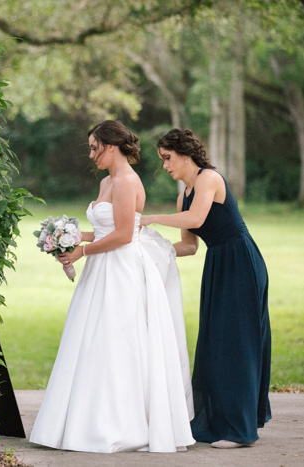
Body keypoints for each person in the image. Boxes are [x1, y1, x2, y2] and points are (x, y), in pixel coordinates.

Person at [29, 120, 195, 453]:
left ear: (111, 146)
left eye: (94, 147)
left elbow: (123, 235)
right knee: (90, 342)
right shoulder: (107, 181)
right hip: (100, 269)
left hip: (120, 271)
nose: (91, 155)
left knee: (116, 343)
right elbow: (103, 230)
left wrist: (82, 250)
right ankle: (84, 421)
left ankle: (118, 426)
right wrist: (66, 238)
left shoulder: (126, 181)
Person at [140, 128, 271, 449]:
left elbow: (197, 218)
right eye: (162, 160)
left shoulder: (209, 179)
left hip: (241, 261)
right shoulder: (182, 193)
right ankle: (217, 421)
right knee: (215, 343)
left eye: (167, 158)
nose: (165, 166)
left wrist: (152, 218)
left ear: (185, 154)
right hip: (218, 264)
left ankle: (239, 430)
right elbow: (189, 246)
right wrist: (144, 251)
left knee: (236, 342)